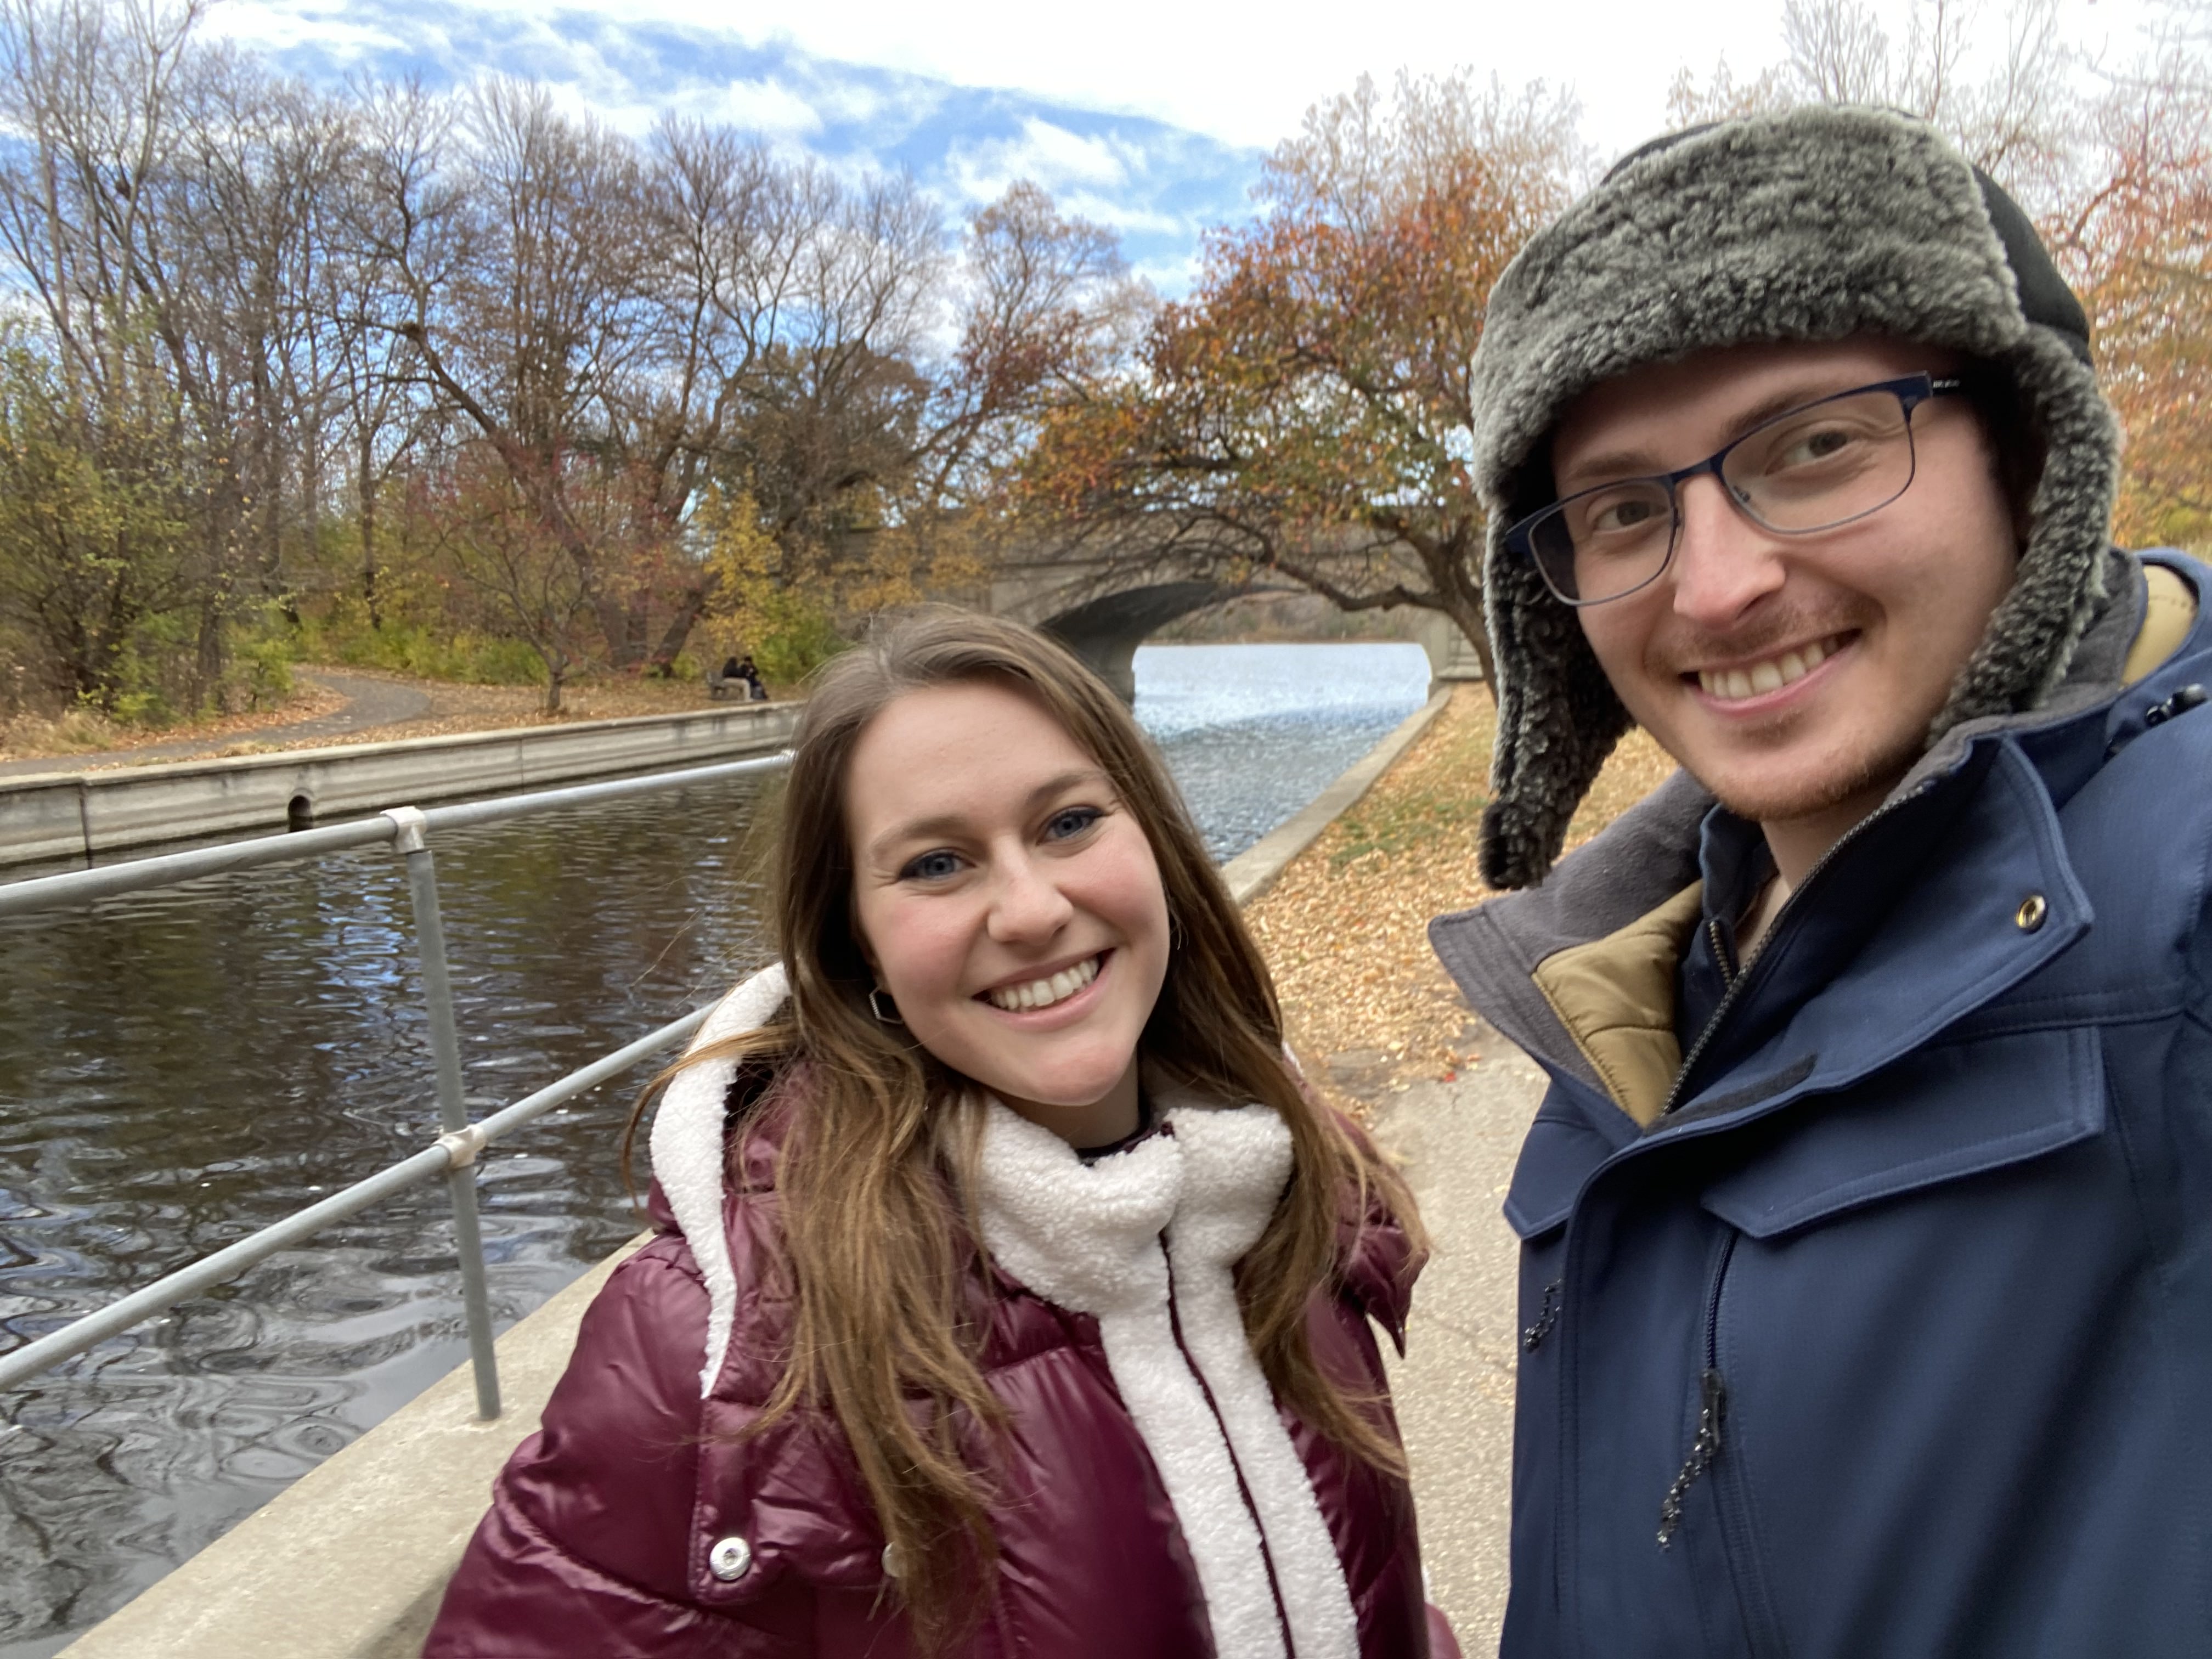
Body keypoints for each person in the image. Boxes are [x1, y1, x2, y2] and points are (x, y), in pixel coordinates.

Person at [1427, 105, 2209, 1656]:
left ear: (2025, 452)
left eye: (1818, 445)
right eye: (1626, 511)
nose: (1718, 586)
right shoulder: (1650, 969)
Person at [426, 610, 1460, 1657]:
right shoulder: (715, 1340)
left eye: (1068, 823)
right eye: (935, 865)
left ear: (1154, 840)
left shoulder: (1292, 1183)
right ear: (858, 944)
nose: (1030, 910)